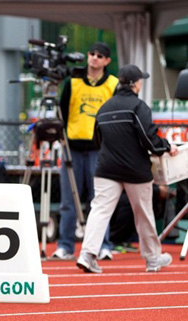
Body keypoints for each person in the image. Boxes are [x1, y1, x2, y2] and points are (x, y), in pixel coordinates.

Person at [76, 64, 178, 273]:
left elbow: (98, 140)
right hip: (135, 170)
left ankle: (87, 254)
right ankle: (152, 258)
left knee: (100, 210)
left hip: (106, 168)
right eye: (141, 79)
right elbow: (149, 139)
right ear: (135, 84)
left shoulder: (104, 108)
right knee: (144, 214)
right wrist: (167, 147)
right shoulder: (139, 107)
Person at [51, 42, 119, 261]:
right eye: (91, 53)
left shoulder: (113, 83)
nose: (94, 58)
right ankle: (65, 245)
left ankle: (103, 245)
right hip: (72, 149)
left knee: (99, 199)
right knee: (68, 200)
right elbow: (62, 110)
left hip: (100, 149)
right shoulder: (72, 82)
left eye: (100, 55)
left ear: (107, 61)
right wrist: (62, 139)